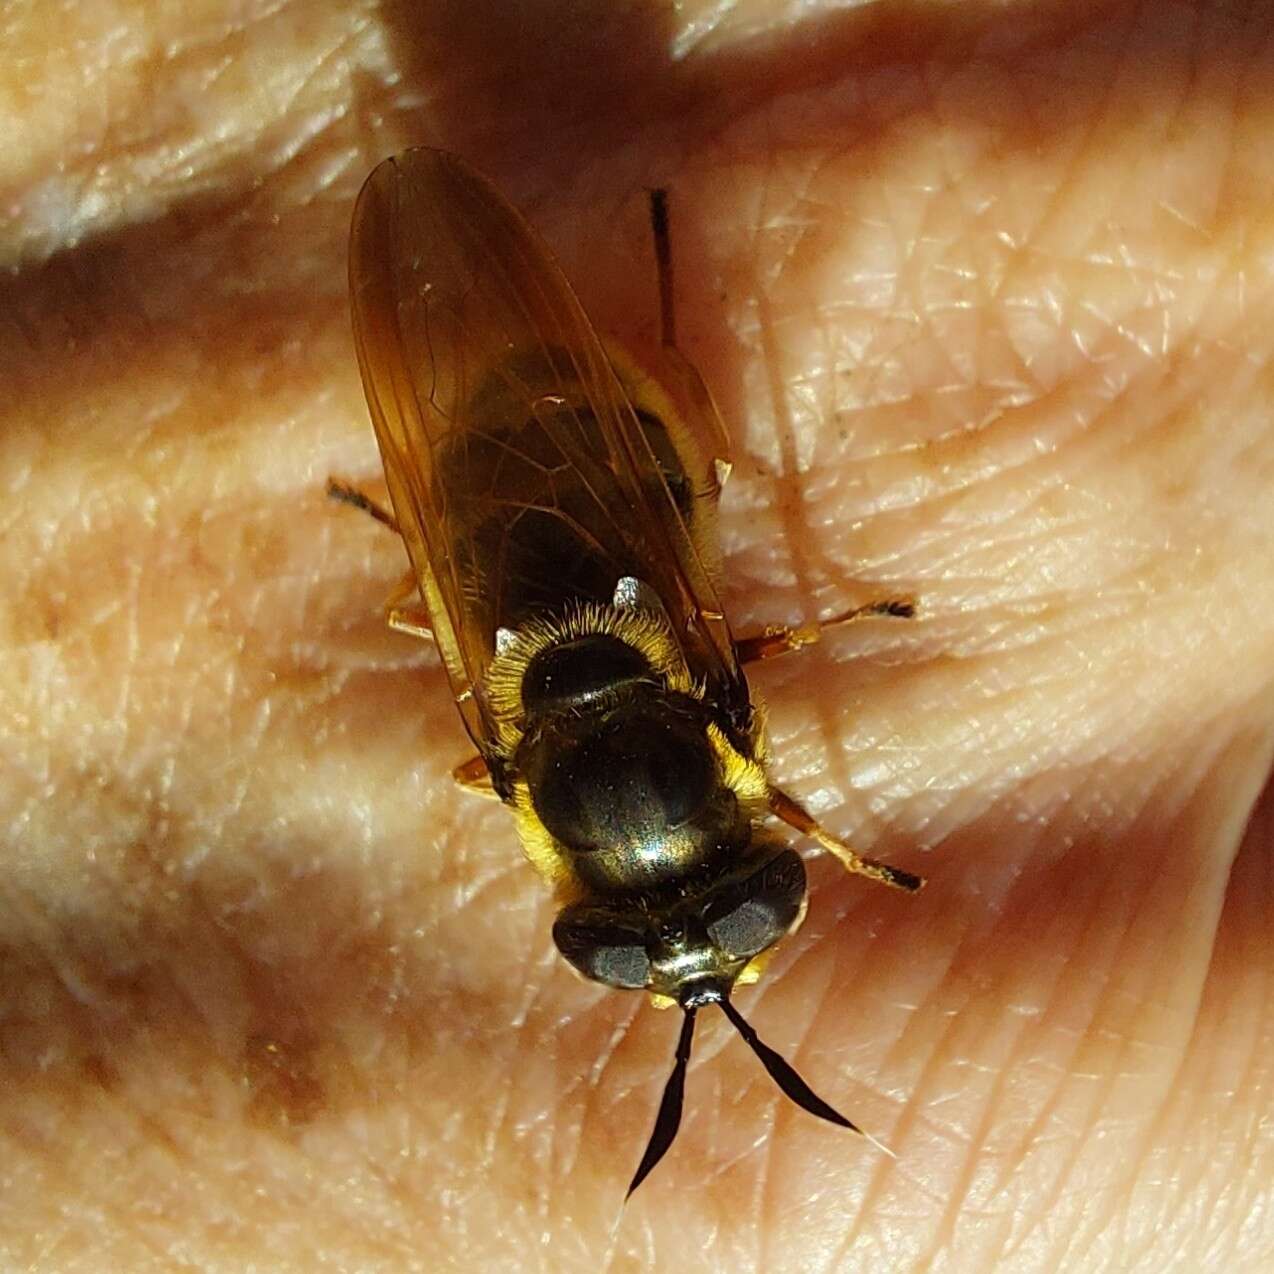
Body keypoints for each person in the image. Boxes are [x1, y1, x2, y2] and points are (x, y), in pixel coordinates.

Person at [1, 3, 1269, 1269]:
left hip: (614, 535)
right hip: (485, 546)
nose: (695, 969)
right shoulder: (513, 775)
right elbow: (479, 675)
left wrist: (841, 765)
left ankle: (611, 341)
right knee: (450, 573)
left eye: (633, 956)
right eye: (755, 909)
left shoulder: (720, 734)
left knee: (691, 463)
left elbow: (755, 673)